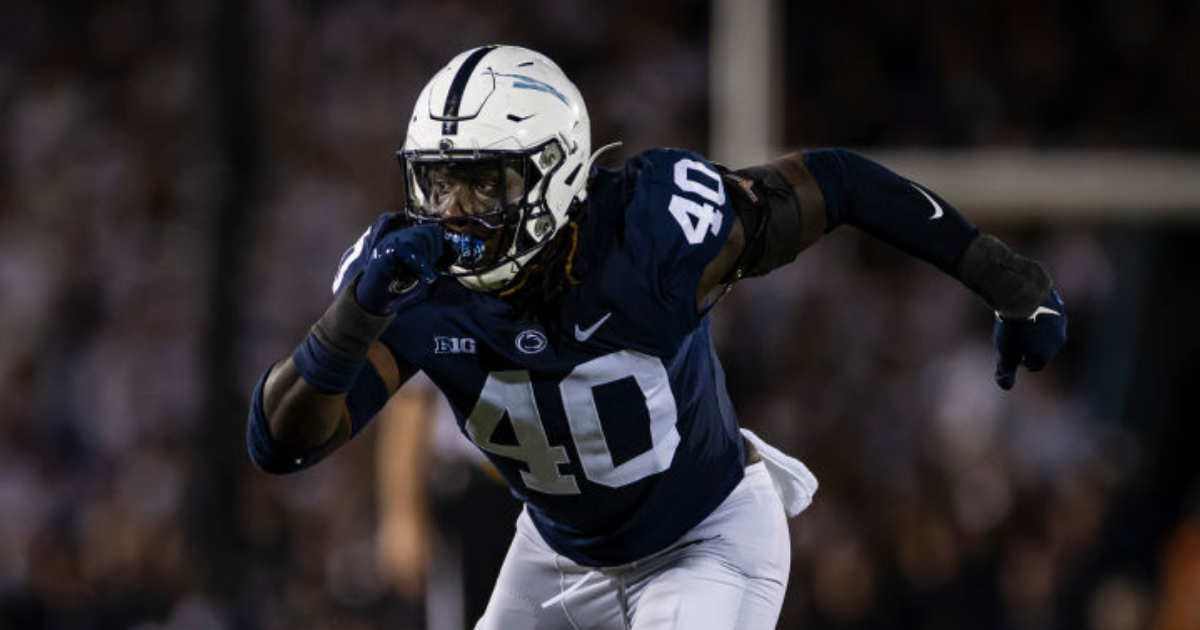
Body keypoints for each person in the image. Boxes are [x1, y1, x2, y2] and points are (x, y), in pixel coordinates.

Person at [246, 45, 1067, 630]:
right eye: (438, 181)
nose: (454, 213)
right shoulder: (409, 284)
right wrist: (354, 315)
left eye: (483, 183)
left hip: (702, 542)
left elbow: (838, 184)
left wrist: (1002, 275)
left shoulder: (651, 232)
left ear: (556, 172)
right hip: (555, 551)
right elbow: (279, 445)